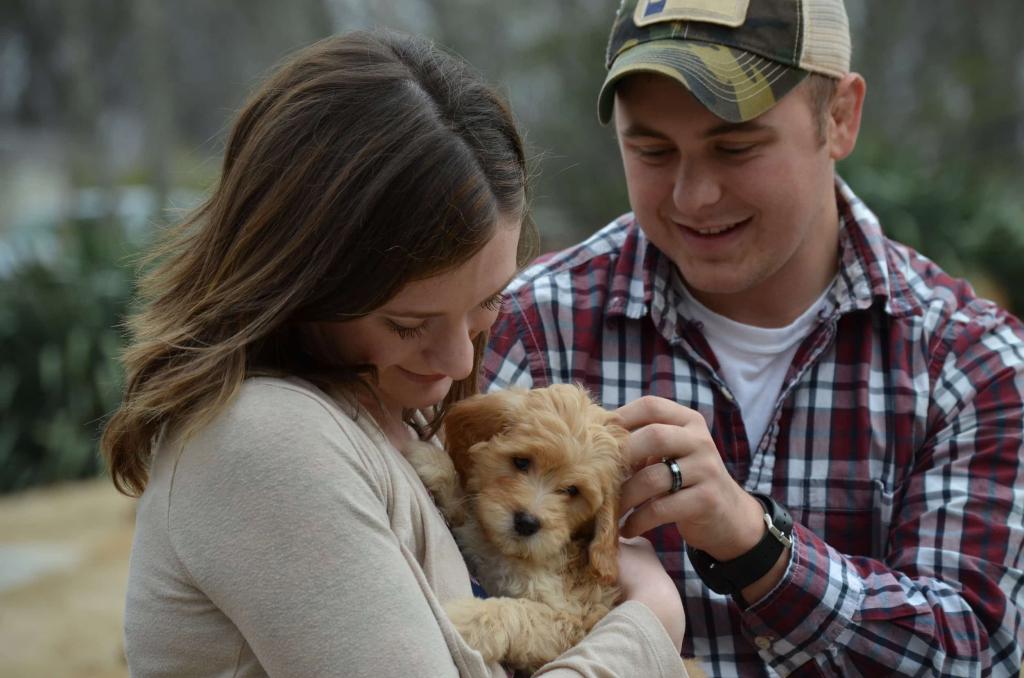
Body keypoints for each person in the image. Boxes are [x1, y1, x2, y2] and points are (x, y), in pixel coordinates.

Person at [101, 29, 689, 677]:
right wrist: (650, 628)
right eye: (409, 323)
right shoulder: (267, 441)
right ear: (300, 279)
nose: (460, 362)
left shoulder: (391, 414)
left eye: (486, 304)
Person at [482, 0, 1024, 675]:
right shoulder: (531, 326)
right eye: (651, 151)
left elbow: (978, 653)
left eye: (735, 148)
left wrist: (760, 549)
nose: (693, 195)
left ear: (840, 117)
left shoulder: (971, 365)